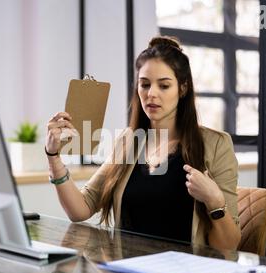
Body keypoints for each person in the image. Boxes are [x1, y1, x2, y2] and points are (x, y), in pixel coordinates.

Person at [45, 35, 241, 251]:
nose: (151, 94)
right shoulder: (129, 141)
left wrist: (214, 201)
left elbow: (228, 246)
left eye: (164, 86)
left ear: (183, 89)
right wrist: (53, 157)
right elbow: (81, 209)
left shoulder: (216, 145)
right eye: (144, 85)